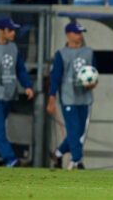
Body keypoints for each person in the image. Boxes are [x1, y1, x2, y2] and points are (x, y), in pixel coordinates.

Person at [47, 22, 97, 170]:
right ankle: (77, 161)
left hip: (85, 98)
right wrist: (51, 99)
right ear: (68, 34)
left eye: (81, 32)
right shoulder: (61, 54)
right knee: (74, 130)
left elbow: (94, 73)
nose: (79, 35)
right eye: (77, 32)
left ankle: (57, 153)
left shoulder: (89, 52)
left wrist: (92, 84)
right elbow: (55, 77)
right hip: (68, 98)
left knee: (79, 131)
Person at [0, 18, 34, 167]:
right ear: (0, 31)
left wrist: (27, 86)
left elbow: (20, 69)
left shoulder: (13, 47)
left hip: (9, 95)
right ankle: (10, 159)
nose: (13, 33)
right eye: (10, 30)